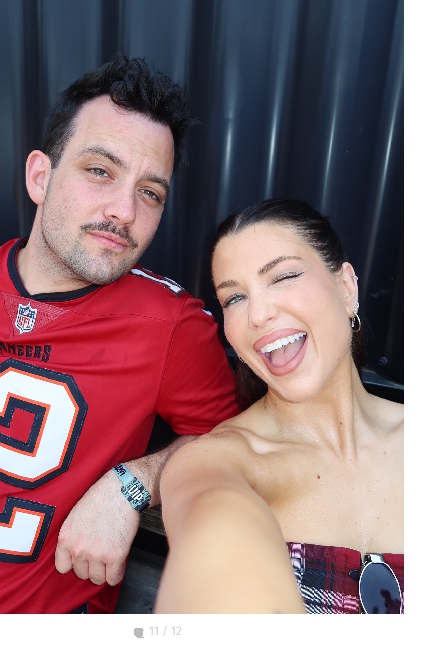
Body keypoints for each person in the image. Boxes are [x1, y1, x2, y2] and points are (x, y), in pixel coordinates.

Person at [0, 54, 239, 613]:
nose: (124, 211)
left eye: (150, 192)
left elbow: (240, 440)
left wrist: (134, 483)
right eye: (100, 171)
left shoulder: (169, 326)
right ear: (40, 177)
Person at [154, 200, 404, 614]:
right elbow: (213, 538)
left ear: (346, 288)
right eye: (234, 298)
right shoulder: (217, 462)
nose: (258, 314)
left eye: (283, 277)